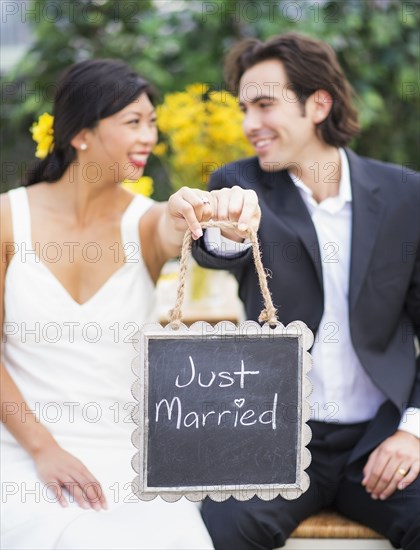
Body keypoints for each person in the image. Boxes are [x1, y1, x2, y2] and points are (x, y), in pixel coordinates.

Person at [0, 58, 260, 550]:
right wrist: (45, 450)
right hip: (22, 452)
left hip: (132, 458)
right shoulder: (8, 219)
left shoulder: (145, 223)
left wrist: (218, 214)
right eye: (132, 122)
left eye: (153, 122)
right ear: (80, 133)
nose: (149, 137)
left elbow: (180, 222)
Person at [193, 32, 420, 549]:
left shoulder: (407, 194)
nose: (249, 125)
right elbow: (216, 246)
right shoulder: (238, 184)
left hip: (382, 435)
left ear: (319, 103)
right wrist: (224, 229)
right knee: (221, 529)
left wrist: (413, 432)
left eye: (265, 105)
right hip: (275, 436)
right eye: (243, 108)